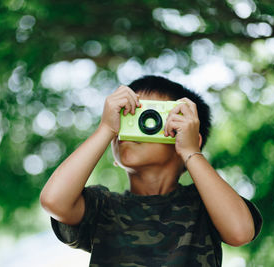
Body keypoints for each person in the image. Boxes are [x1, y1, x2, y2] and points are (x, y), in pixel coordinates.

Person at [40, 75, 262, 266]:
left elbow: (240, 231)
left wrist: (191, 152)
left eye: (149, 117)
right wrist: (105, 129)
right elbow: (53, 200)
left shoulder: (206, 204)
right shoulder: (102, 206)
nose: (135, 128)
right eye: (128, 118)